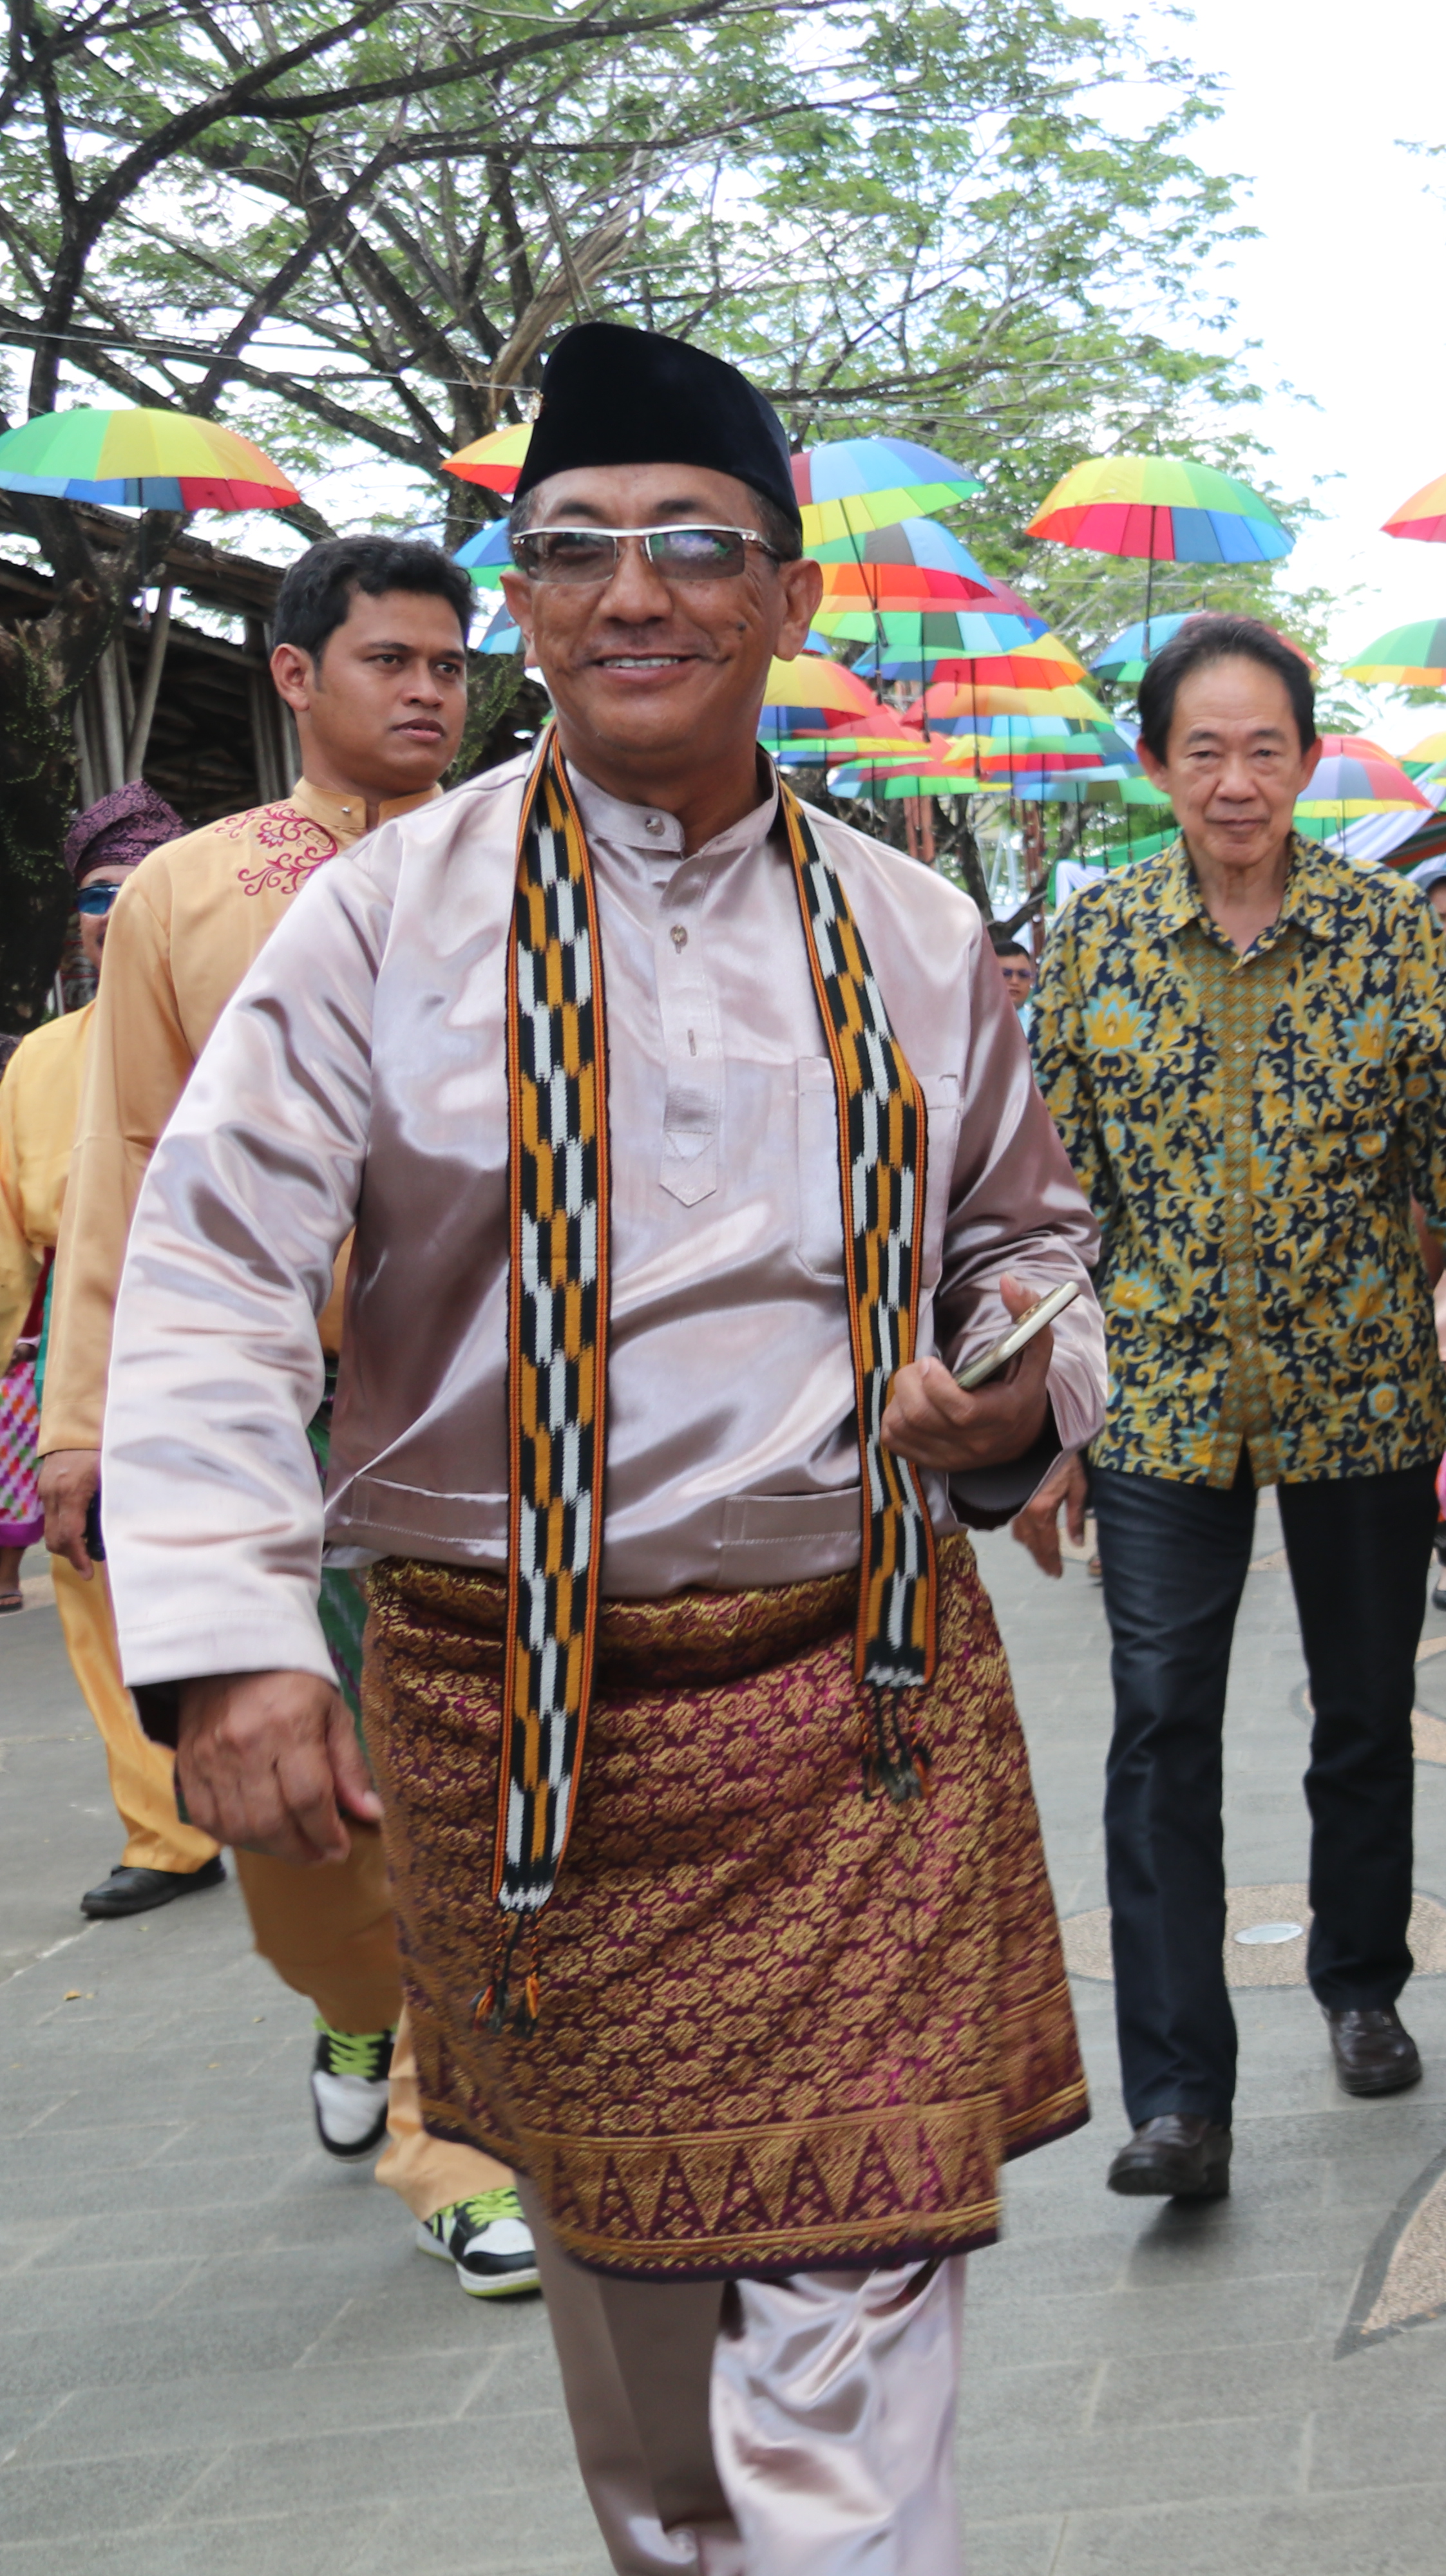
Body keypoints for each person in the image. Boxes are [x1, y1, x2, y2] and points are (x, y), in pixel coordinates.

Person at [102, 321, 1105, 2560]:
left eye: (689, 547)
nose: (631, 592)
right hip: (519, 1735)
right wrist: (234, 1635)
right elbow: (212, 1273)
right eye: (573, 552)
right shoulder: (374, 926)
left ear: (789, 601)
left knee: (844, 2382)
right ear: (525, 605)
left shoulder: (921, 935)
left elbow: (1031, 1250)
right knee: (656, 2424)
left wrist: (1013, 1376)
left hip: (861, 1721)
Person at [48, 535, 546, 2295]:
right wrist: (88, 1418)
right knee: (306, 1817)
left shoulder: (529, 862)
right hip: (281, 1407)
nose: (427, 691)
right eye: (389, 659)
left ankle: (453, 2128)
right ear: (292, 676)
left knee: (470, 1774)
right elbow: (129, 1163)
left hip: (491, 1403)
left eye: (448, 662)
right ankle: (359, 2015)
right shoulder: (193, 897)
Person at [1029, 614, 1446, 2175]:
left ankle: (1362, 1984)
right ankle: (1180, 2094)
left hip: (1365, 1391)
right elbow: (1048, 1201)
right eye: (1204, 750)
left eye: (1265, 749)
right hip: (1159, 1402)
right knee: (1157, 1726)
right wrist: (1039, 1417)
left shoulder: (1389, 934)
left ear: (1308, 762)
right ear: (1155, 766)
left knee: (1363, 1710)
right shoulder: (1095, 942)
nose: (1235, 781)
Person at [19, 790, 220, 1912]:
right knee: (92, 1588)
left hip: (234, 1346)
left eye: (145, 889)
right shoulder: (37, 1065)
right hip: (90, 1359)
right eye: (102, 897)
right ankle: (164, 1833)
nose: (121, 913)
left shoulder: (249, 1027)